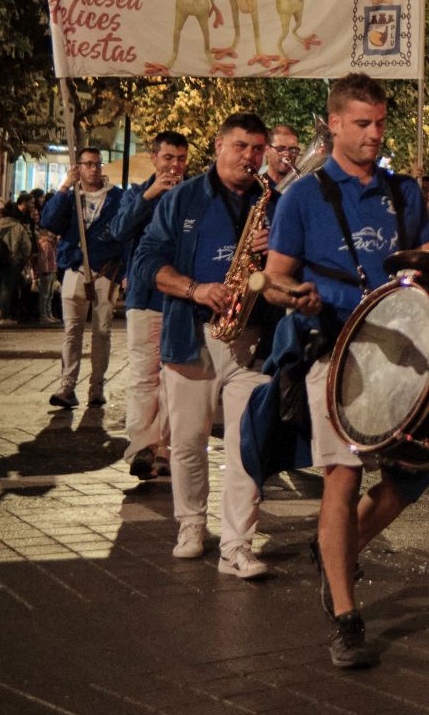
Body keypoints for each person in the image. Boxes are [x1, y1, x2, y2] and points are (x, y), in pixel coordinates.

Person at [262, 73, 429, 669]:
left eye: (380, 122)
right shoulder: (301, 197)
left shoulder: (404, 192)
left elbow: (423, 264)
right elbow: (273, 278)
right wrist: (295, 296)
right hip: (334, 350)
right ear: (333, 124)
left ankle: (335, 548)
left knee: (418, 470)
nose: (374, 134)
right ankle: (345, 612)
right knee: (343, 475)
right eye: (362, 123)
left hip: (403, 348)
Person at [132, 113, 282, 580]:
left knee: (246, 445)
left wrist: (277, 251)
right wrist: (195, 289)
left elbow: (293, 270)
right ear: (218, 145)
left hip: (252, 342)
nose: (250, 157)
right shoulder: (182, 198)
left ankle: (237, 544)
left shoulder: (273, 203)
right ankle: (192, 523)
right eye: (241, 146)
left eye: (257, 149)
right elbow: (146, 261)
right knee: (187, 442)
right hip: (191, 336)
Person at [109, 130, 190, 480]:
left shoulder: (194, 195)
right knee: (144, 375)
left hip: (183, 298)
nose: (174, 165)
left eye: (181, 159)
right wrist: (150, 195)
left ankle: (164, 450)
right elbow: (118, 230)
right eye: (168, 158)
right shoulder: (135, 194)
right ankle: (142, 446)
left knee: (174, 378)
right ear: (154, 158)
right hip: (145, 297)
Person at [41, 147, 126, 409]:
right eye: (88, 164)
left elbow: (127, 233)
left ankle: (96, 386)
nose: (93, 169)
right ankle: (67, 386)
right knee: (72, 331)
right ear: (78, 167)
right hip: (75, 268)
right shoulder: (71, 198)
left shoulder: (117, 198)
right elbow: (50, 221)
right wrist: (65, 186)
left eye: (97, 164)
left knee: (101, 331)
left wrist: (123, 271)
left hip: (105, 271)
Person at [0, 196, 32, 322]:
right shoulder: (18, 227)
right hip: (13, 261)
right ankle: (3, 315)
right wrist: (23, 258)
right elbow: (27, 246)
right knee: (6, 288)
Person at [264, 123, 306, 194]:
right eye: (280, 149)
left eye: (293, 149)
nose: (287, 154)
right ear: (267, 150)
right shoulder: (257, 187)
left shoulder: (303, 185)